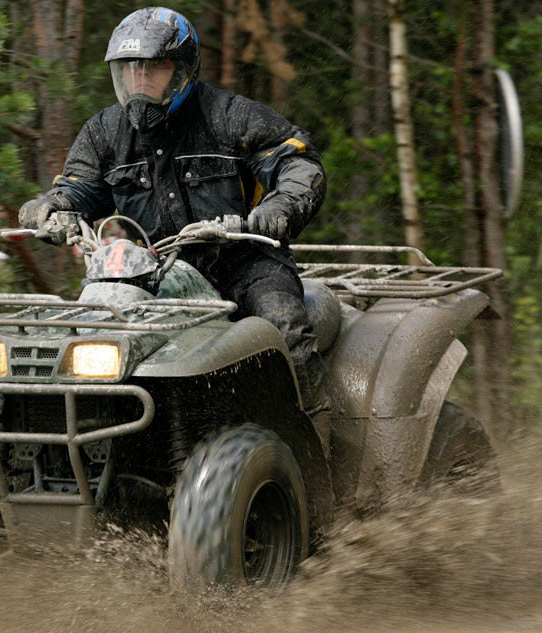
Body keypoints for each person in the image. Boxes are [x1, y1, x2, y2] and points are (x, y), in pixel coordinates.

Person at [18, 6, 327, 409]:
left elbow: (298, 161)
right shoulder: (104, 132)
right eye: (130, 69)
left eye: (155, 68)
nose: (140, 80)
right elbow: (78, 188)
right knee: (88, 331)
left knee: (284, 325)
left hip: (245, 261)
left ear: (183, 70)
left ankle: (318, 438)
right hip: (155, 268)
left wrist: (282, 206)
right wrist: (53, 208)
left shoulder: (230, 116)